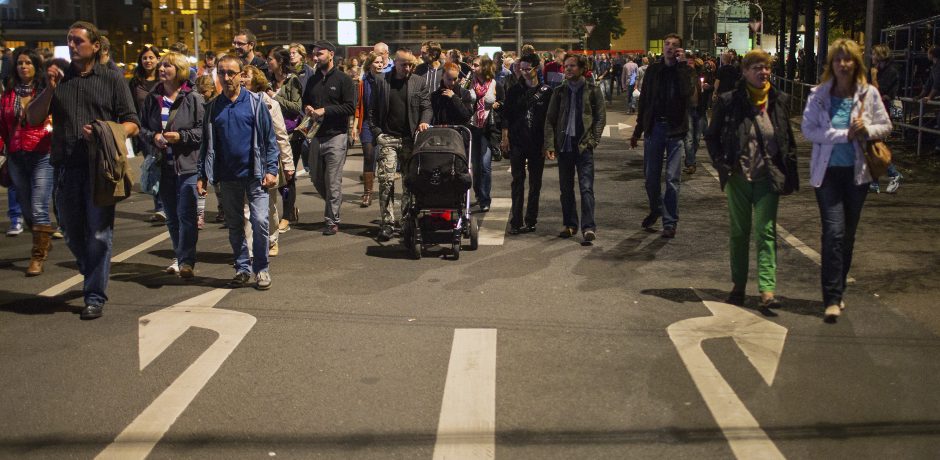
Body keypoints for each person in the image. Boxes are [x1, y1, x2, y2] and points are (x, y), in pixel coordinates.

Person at [26, 21, 140, 320]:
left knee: (100, 235)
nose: (73, 46)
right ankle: (92, 271)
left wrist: (106, 131)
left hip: (100, 168)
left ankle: (94, 295)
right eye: (69, 41)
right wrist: (49, 89)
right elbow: (32, 118)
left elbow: (132, 122)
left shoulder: (112, 78)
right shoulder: (58, 78)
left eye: (78, 41)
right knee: (72, 232)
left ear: (95, 46)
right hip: (65, 166)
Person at [801, 38, 892, 323]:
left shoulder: (869, 94)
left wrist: (868, 127)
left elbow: (887, 126)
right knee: (833, 233)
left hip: (857, 174)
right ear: (831, 64)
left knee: (848, 236)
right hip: (827, 175)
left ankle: (838, 291)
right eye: (838, 59)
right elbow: (808, 130)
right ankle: (830, 297)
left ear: (856, 63)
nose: (843, 64)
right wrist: (844, 135)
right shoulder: (819, 95)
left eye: (848, 59)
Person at [705, 48, 799, 309]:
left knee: (765, 232)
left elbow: (787, 139)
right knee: (739, 233)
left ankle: (767, 290)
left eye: (766, 67)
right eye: (756, 67)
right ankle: (738, 286)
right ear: (745, 72)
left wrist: (788, 170)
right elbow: (711, 136)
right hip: (738, 177)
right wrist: (721, 164)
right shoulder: (729, 101)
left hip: (768, 178)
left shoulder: (779, 100)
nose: (763, 72)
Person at [197, 55, 279, 290]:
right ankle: (242, 268)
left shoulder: (255, 103)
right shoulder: (212, 107)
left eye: (231, 73)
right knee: (234, 226)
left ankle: (261, 268)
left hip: (255, 174)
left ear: (241, 75)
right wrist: (202, 175)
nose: (226, 77)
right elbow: (206, 144)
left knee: (260, 221)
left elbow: (269, 139)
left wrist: (272, 169)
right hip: (227, 176)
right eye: (221, 73)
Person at [139, 52, 205, 278]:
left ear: (179, 70)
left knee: (186, 214)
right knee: (171, 215)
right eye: (161, 65)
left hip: (187, 165)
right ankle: (180, 256)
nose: (162, 68)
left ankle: (187, 260)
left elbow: (202, 132)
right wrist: (154, 136)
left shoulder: (193, 98)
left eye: (168, 65)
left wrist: (181, 137)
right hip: (162, 165)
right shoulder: (153, 98)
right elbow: (142, 128)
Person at [630, 34, 696, 239]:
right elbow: (645, 100)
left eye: (675, 45)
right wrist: (638, 130)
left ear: (680, 50)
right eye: (667, 44)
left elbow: (689, 95)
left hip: (675, 131)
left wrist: (683, 66)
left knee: (672, 179)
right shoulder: (654, 70)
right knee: (650, 178)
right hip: (655, 128)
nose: (670, 48)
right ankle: (656, 208)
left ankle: (670, 222)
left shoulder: (685, 71)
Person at [367, 48, 432, 241]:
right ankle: (387, 223)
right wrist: (377, 133)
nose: (408, 68)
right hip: (387, 137)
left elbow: (426, 107)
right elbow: (371, 111)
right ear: (394, 63)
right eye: (404, 64)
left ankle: (406, 222)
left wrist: (424, 121)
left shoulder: (418, 81)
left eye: (411, 65)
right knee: (386, 180)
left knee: (409, 182)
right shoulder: (381, 81)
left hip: (410, 138)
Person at [1, 47, 55, 275]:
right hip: (16, 154)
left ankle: (37, 257)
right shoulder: (8, 94)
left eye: (28, 63)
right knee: (25, 206)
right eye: (20, 63)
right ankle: (43, 238)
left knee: (39, 205)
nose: (23, 66)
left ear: (36, 67)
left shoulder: (45, 91)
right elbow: (2, 125)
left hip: (43, 152)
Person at [543, 53, 606, 243]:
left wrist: (593, 141)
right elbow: (550, 119)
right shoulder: (560, 91)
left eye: (572, 66)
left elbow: (600, 118)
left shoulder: (593, 90)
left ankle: (588, 227)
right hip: (564, 147)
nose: (568, 69)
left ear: (582, 68)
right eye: (566, 66)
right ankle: (570, 225)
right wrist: (550, 144)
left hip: (583, 147)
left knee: (586, 188)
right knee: (566, 189)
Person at [301, 40, 354, 235]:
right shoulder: (313, 79)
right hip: (315, 136)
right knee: (316, 178)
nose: (315, 58)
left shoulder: (343, 79)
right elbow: (305, 101)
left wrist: (326, 110)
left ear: (331, 54)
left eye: (319, 54)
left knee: (333, 181)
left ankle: (332, 220)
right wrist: (307, 108)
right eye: (314, 54)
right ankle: (333, 203)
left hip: (336, 136)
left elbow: (350, 107)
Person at [244, 65, 295, 257]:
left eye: (246, 76)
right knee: (246, 209)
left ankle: (272, 240)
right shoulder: (236, 103)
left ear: (256, 81)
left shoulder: (270, 104)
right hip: (246, 162)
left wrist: (288, 164)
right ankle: (250, 251)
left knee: (269, 206)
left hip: (267, 162)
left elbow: (281, 135)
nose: (242, 79)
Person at [501, 53, 552, 235]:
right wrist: (505, 137)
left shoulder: (547, 92)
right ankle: (516, 221)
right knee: (517, 181)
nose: (523, 72)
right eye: (520, 69)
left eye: (527, 69)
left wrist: (549, 144)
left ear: (536, 68)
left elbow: (550, 120)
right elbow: (506, 114)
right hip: (517, 142)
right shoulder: (514, 90)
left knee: (535, 183)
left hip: (537, 143)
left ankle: (531, 220)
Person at [266, 46, 303, 234]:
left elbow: (297, 107)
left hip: (290, 135)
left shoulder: (292, 80)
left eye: (270, 59)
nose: (267, 62)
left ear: (280, 62)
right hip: (271, 134)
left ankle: (287, 216)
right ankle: (290, 209)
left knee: (288, 175)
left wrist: (275, 97)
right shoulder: (268, 80)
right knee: (276, 176)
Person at [128, 45, 166, 223]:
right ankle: (160, 206)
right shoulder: (135, 82)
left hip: (165, 128)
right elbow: (130, 106)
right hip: (145, 131)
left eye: (151, 57)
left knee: (165, 166)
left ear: (158, 59)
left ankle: (166, 205)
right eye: (145, 58)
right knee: (152, 165)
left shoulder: (164, 78)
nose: (148, 61)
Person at [467, 55, 505, 213]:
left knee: (485, 166)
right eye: (473, 65)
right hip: (472, 127)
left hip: (488, 130)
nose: (473, 68)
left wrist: (498, 104)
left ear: (484, 67)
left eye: (476, 65)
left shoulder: (496, 84)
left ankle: (485, 198)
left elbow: (504, 103)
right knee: (475, 166)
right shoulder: (470, 82)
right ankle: (478, 194)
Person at [869, 44, 903, 194]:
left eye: (874, 54)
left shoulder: (889, 72)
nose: (872, 57)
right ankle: (875, 182)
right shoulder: (879, 70)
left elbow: (877, 91)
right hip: (872, 111)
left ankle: (893, 173)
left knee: (873, 145)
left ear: (880, 56)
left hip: (881, 113)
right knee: (871, 146)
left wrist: (874, 77)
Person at [355, 52, 385, 208]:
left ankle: (386, 192)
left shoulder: (387, 80)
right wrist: (354, 127)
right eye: (377, 62)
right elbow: (359, 106)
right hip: (366, 122)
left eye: (381, 62)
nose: (380, 64)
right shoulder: (363, 82)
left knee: (383, 157)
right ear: (370, 64)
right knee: (368, 154)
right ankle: (367, 193)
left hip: (384, 122)